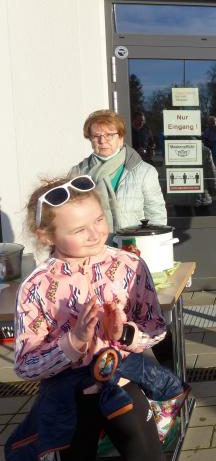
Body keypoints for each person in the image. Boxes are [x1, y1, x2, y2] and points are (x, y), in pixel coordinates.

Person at [5, 176, 189, 461]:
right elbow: (25, 365)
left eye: (99, 220)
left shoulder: (129, 265)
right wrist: (72, 342)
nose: (95, 234)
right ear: (46, 236)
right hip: (68, 397)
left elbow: (156, 328)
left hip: (123, 381)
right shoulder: (37, 285)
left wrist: (123, 333)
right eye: (79, 230)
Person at [71, 110, 167, 232]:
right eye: (96, 136)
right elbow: (71, 216)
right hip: (93, 241)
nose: (102, 141)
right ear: (90, 139)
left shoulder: (145, 172)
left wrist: (152, 241)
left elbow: (156, 215)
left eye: (109, 135)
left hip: (133, 242)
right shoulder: (78, 173)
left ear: (121, 137)